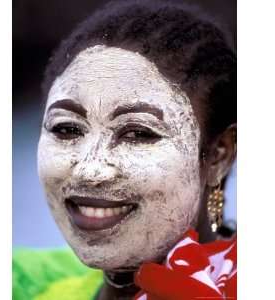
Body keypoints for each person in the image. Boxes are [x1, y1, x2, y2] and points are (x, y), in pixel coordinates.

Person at [13, 0, 237, 299]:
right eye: (66, 129)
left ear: (220, 154)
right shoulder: (28, 285)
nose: (90, 170)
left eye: (138, 133)